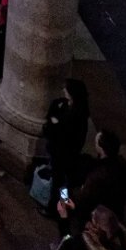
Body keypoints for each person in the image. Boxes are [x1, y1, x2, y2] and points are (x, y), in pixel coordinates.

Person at [43, 79, 90, 215]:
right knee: (62, 182)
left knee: (60, 183)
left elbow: (59, 130)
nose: (63, 91)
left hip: (64, 155)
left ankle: (55, 208)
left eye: (66, 90)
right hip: (64, 152)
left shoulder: (75, 116)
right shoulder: (71, 107)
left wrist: (54, 122)